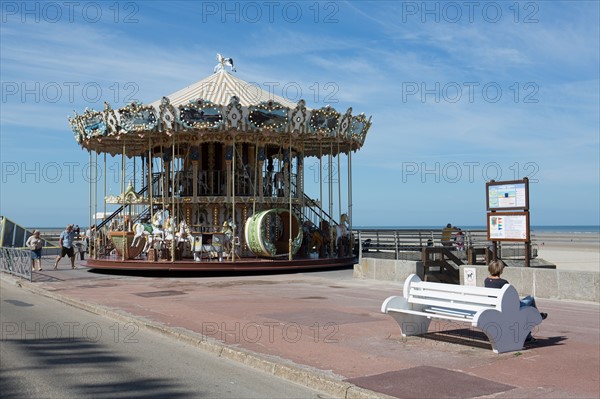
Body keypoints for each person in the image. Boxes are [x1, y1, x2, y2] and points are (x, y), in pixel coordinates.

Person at [484, 260, 548, 341]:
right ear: (500, 270)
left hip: (494, 307)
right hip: (506, 309)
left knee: (526, 312)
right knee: (530, 300)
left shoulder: (486, 281)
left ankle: (529, 333)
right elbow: (511, 297)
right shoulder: (503, 282)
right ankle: (538, 316)